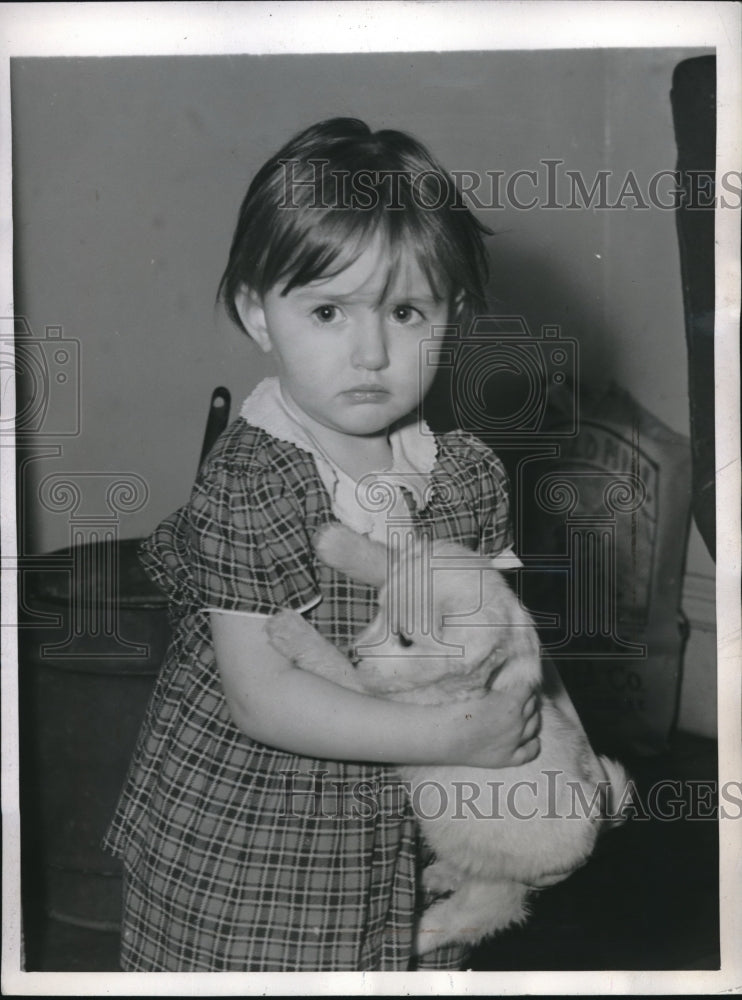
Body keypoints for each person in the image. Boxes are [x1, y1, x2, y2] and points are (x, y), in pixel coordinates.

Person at [103, 117, 551, 972]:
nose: (372, 351)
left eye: (407, 310)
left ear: (451, 314)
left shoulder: (467, 476)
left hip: (417, 826)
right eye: (328, 310)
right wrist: (460, 736)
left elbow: (499, 643)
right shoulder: (257, 479)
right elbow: (262, 700)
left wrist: (528, 739)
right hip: (260, 846)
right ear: (258, 314)